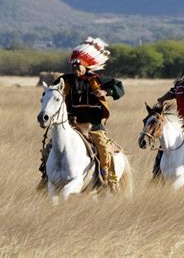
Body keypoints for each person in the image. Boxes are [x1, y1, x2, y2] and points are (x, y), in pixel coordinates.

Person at [37, 37, 125, 191]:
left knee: (103, 148)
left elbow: (119, 86)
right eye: (73, 67)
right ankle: (46, 177)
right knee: (50, 148)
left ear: (86, 67)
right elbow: (52, 91)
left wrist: (106, 91)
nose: (75, 70)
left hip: (94, 124)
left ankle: (108, 179)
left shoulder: (96, 80)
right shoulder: (66, 80)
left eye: (78, 67)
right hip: (72, 122)